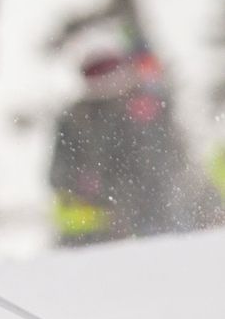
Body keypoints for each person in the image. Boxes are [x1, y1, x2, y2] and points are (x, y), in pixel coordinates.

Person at [49, 47, 219, 245]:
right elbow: (58, 174)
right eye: (97, 71)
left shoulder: (150, 107)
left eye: (109, 68)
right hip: (98, 234)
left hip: (159, 221)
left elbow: (171, 162)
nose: (106, 79)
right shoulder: (75, 119)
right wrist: (85, 183)